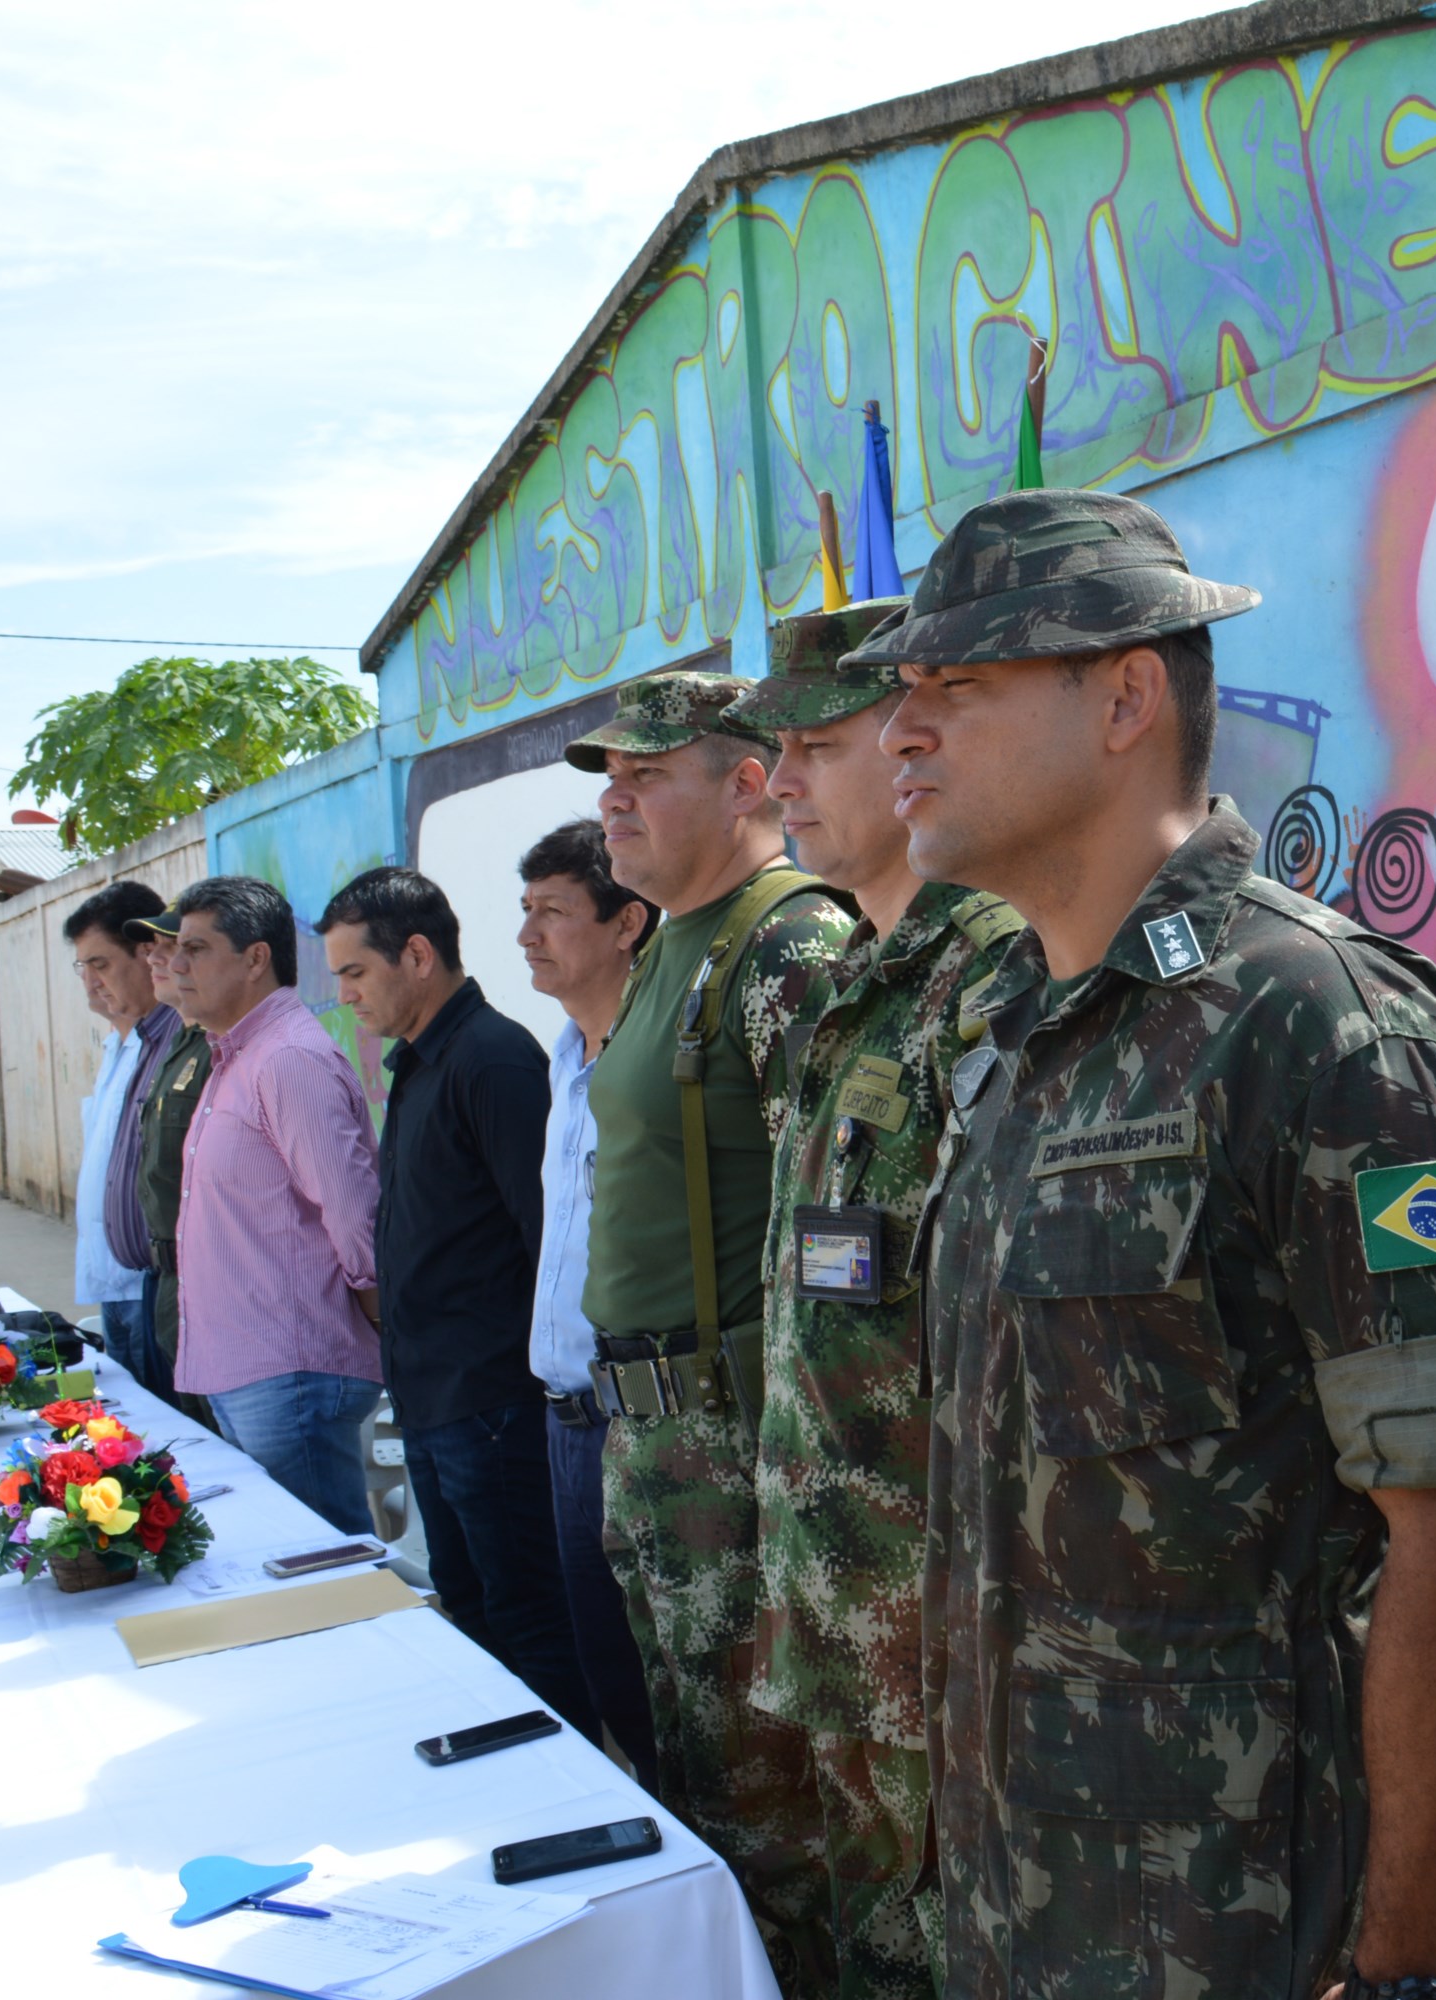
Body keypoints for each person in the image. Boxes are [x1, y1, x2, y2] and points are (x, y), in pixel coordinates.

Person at [857, 489, 1436, 2000]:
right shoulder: (1020, 1040)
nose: (901, 732)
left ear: (1123, 696)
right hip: (1022, 1909)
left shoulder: (1326, 1027)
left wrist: (1409, 1966)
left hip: (1246, 1938)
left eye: (954, 690)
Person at [733, 596, 1005, 1996]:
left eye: (812, 744)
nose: (779, 781)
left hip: (941, 1649)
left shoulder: (1000, 985)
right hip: (839, 1620)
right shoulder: (860, 990)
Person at [566, 671, 856, 1982]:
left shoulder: (785, 945)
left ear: (751, 783)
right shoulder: (672, 941)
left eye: (650, 774)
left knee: (767, 1805)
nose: (615, 801)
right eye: (609, 778)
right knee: (694, 1770)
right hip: (653, 1439)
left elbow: (847, 1227)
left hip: (732, 1447)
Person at [322, 865, 598, 1737]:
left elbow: (545, 1240)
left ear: (416, 955)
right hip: (437, 1402)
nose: (345, 995)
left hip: (495, 1408)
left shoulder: (493, 1060)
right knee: (472, 1611)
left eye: (355, 972)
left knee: (530, 1624)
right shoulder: (423, 1060)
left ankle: (572, 1809)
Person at [163, 875, 385, 1536]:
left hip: (292, 1373)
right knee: (287, 1563)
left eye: (196, 949)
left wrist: (374, 1321)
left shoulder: (287, 1059)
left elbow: (356, 1222)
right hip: (249, 1367)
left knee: (323, 1568)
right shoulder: (236, 1054)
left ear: (256, 959)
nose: (175, 965)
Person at [516, 817, 663, 1780]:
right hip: (565, 1417)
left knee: (660, 1684)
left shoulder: (652, 1064)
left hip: (641, 1417)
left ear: (627, 925)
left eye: (553, 912)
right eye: (524, 912)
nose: (528, 935)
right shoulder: (564, 1057)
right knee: (605, 1672)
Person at [63, 883, 166, 1370]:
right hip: (112, 1282)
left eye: (100, 964)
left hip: (153, 1285)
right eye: (82, 967)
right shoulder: (117, 1046)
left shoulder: (178, 1044)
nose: (89, 982)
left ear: (147, 953)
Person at [126, 911, 215, 1418]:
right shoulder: (179, 1044)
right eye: (154, 946)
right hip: (170, 1281)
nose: (156, 957)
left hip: (207, 1285)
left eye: (174, 944)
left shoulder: (218, 1047)